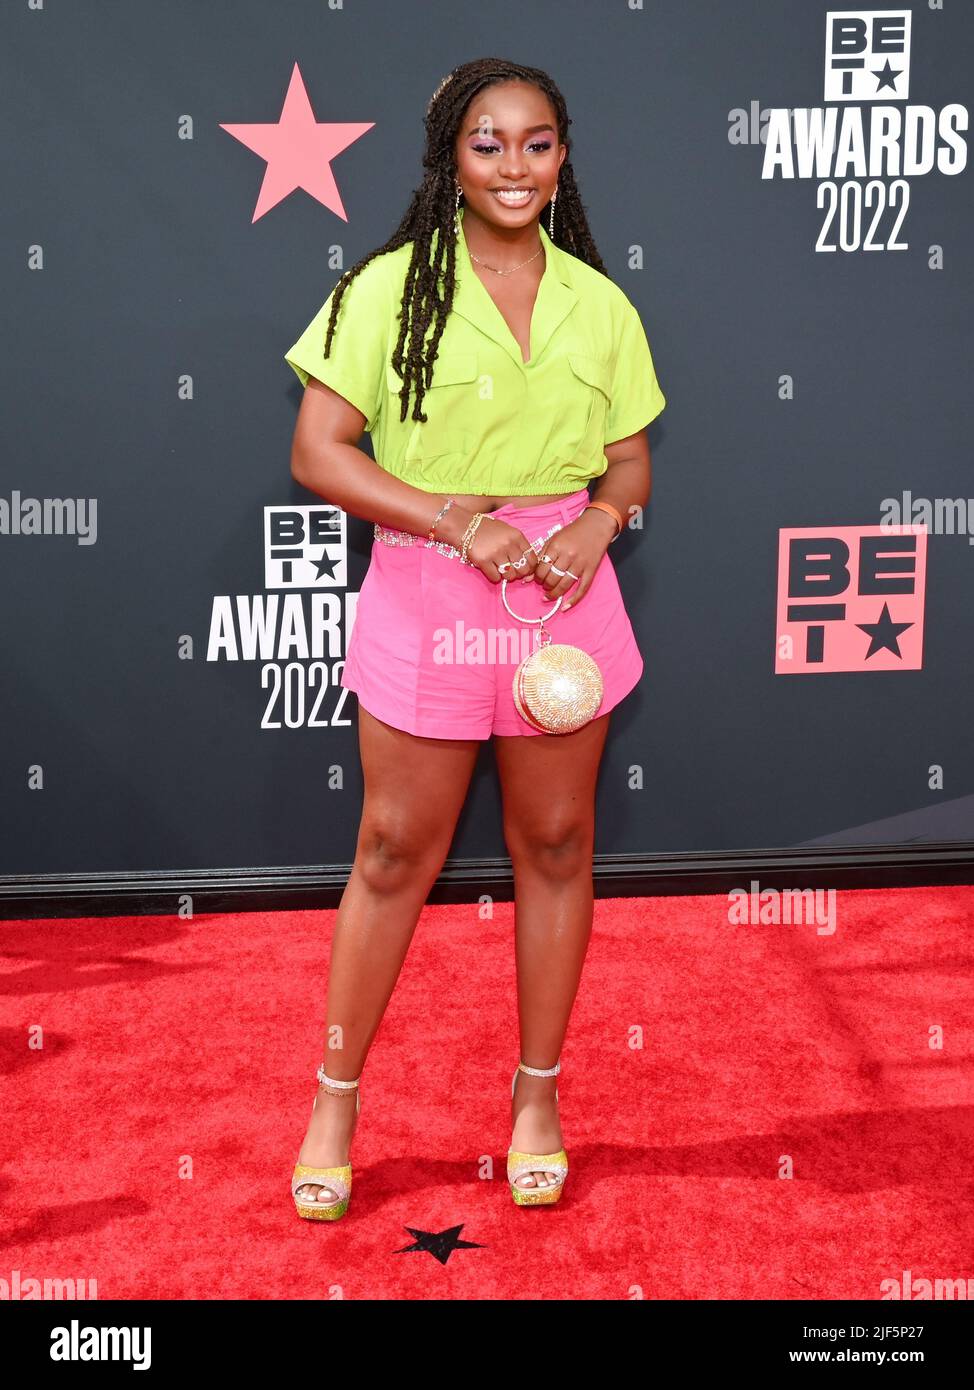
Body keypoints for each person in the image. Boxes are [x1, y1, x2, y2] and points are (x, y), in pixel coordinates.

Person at [284, 57, 666, 1219]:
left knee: (555, 844)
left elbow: (631, 462)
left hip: (563, 598)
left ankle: (537, 1098)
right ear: (450, 155)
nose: (514, 165)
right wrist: (456, 518)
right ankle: (335, 1102)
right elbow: (319, 453)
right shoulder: (384, 289)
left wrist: (600, 522)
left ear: (562, 158)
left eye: (536, 143)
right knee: (395, 850)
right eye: (488, 143)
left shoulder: (599, 304)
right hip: (430, 588)